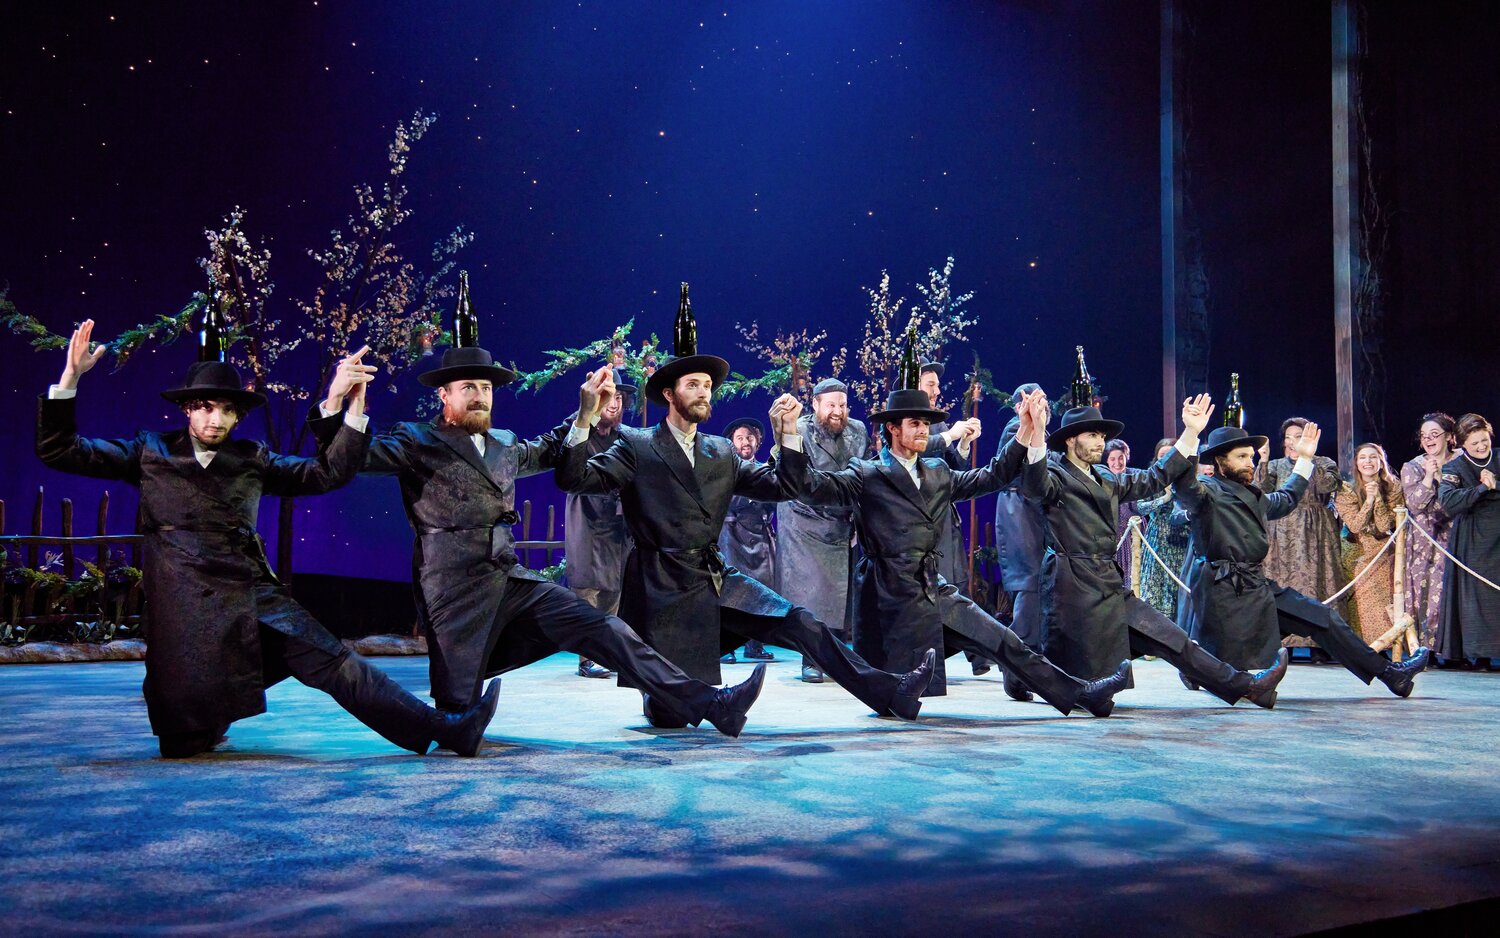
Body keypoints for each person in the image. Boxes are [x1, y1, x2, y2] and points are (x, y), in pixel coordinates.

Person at [36, 322, 500, 758]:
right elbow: (61, 449)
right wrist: (69, 380)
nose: (216, 419)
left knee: (337, 662)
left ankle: (446, 729)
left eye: (226, 409)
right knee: (184, 743)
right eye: (205, 407)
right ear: (187, 410)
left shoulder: (250, 458)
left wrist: (349, 410)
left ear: (238, 415)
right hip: (184, 610)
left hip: (251, 593)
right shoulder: (149, 451)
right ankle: (208, 715)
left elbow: (326, 474)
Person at [329, 345, 768, 738]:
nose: (480, 395)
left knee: (606, 628)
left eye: (486, 387)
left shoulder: (502, 442)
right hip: (453, 588)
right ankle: (453, 721)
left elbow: (551, 449)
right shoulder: (416, 439)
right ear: (444, 395)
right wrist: (341, 404)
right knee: (457, 714)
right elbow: (352, 461)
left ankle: (713, 705)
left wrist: (586, 412)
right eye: (468, 388)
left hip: (509, 579)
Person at [556, 351, 936, 725]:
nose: (704, 392)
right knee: (668, 713)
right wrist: (585, 415)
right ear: (669, 395)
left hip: (715, 580)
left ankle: (890, 692)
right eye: (693, 385)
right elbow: (573, 478)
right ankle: (680, 699)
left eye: (707, 385)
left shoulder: (720, 451)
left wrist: (787, 435)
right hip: (662, 590)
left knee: (800, 622)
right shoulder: (637, 445)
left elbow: (785, 486)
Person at [793, 384, 1132, 714]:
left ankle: (1079, 693)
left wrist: (1027, 431)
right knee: (897, 696)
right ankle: (896, 695)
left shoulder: (938, 472)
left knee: (1002, 639)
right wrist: (788, 438)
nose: (924, 430)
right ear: (892, 428)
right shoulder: (867, 473)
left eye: (926, 424)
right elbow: (810, 486)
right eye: (915, 423)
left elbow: (993, 476)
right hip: (889, 592)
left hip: (930, 585)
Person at [1023, 395, 1288, 708]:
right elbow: (1035, 484)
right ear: (1070, 440)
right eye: (1092, 435)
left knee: (1175, 640)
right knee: (1078, 682)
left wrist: (1190, 434)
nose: (1101, 442)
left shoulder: (1106, 477)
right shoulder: (1054, 474)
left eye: (1102, 436)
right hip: (1072, 588)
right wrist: (1037, 433)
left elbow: (1155, 478)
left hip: (1108, 584)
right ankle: (1020, 681)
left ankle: (1248, 686)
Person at [1172, 424, 1428, 698]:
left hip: (1255, 584)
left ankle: (1391, 675)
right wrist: (1190, 434)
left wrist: (1305, 459)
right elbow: (1185, 487)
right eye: (1242, 457)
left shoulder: (1252, 493)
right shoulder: (1207, 491)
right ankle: (1203, 670)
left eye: (1251, 456)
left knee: (1321, 617)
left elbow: (1285, 499)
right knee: (1233, 660)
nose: (1251, 462)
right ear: (1221, 462)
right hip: (1224, 590)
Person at [774, 378, 865, 681]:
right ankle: (811, 658)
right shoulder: (799, 429)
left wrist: (857, 518)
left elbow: (861, 475)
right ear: (815, 405)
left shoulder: (858, 431)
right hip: (804, 521)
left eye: (842, 404)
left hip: (841, 521)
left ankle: (835, 657)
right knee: (811, 592)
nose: (838, 411)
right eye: (831, 405)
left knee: (840, 595)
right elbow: (786, 472)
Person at [564, 369, 637, 679]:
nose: (614, 403)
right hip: (588, 518)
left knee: (614, 590)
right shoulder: (578, 428)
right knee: (588, 590)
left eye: (619, 398)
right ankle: (587, 658)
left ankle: (606, 654)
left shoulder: (625, 438)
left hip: (617, 524)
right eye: (609, 396)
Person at [1261, 417, 1347, 652]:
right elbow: (1261, 492)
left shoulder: (1324, 462)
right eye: (1287, 438)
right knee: (1282, 585)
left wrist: (1308, 458)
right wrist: (1264, 460)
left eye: (1297, 437)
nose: (1291, 443)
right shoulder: (1276, 465)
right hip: (1281, 533)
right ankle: (1281, 644)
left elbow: (1328, 486)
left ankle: (1322, 645)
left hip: (1316, 531)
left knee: (1317, 583)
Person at [990, 383, 1053, 699]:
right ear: (1021, 405)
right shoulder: (1016, 427)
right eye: (1037, 400)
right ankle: (1015, 664)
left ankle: (1025, 665)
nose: (1045, 405)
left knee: (1036, 586)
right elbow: (1015, 466)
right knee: (1029, 585)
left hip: (1031, 511)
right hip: (1019, 512)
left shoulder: (1038, 429)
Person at [1437, 413, 1500, 669]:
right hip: (1473, 539)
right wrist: (1482, 489)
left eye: (1484, 440)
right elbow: (1449, 502)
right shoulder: (1454, 468)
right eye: (1474, 444)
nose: (1481, 447)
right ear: (1462, 444)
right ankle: (1480, 654)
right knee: (1477, 596)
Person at [917, 361, 983, 600]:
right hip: (921, 522)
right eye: (931, 385)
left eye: (937, 385)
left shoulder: (937, 422)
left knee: (955, 589)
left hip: (945, 520)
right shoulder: (900, 422)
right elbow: (913, 449)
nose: (937, 391)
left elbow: (953, 471)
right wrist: (949, 435)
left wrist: (964, 443)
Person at [717, 417, 777, 663]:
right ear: (732, 442)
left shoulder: (765, 470)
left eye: (749, 437)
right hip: (731, 536)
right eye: (740, 437)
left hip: (759, 536)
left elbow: (776, 499)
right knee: (730, 591)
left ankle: (754, 644)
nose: (745, 442)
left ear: (758, 441)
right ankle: (725, 646)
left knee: (760, 590)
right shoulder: (723, 469)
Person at [1333, 443, 1406, 643]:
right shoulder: (1346, 490)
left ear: (1381, 462)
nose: (1368, 462)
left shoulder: (1394, 486)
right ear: (1356, 463)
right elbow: (1355, 526)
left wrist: (1379, 498)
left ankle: (1387, 645)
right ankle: (1363, 648)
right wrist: (1369, 500)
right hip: (1357, 552)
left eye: (1373, 457)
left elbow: (1383, 526)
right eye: (1363, 458)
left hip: (1385, 552)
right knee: (1362, 604)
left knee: (1386, 603)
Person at [1400, 413, 1457, 651]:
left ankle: (1456, 649)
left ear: (1450, 437)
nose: (1429, 440)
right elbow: (1414, 504)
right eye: (1424, 436)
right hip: (1425, 539)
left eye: (1435, 434)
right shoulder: (1413, 466)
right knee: (1426, 592)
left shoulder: (1462, 462)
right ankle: (1425, 649)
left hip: (1457, 534)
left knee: (1454, 592)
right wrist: (1429, 476)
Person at [1136, 438, 1189, 618]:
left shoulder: (1187, 479)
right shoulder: (1151, 480)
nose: (1166, 459)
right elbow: (1140, 507)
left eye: (1170, 455)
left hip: (1181, 540)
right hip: (1157, 539)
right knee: (1155, 589)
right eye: (1162, 455)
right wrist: (1164, 499)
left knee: (1180, 586)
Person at [1105, 439, 1142, 585]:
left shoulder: (1136, 476)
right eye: (1112, 459)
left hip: (1134, 532)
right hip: (1113, 534)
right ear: (1107, 460)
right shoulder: (1102, 478)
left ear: (1127, 457)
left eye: (1121, 458)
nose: (1117, 463)